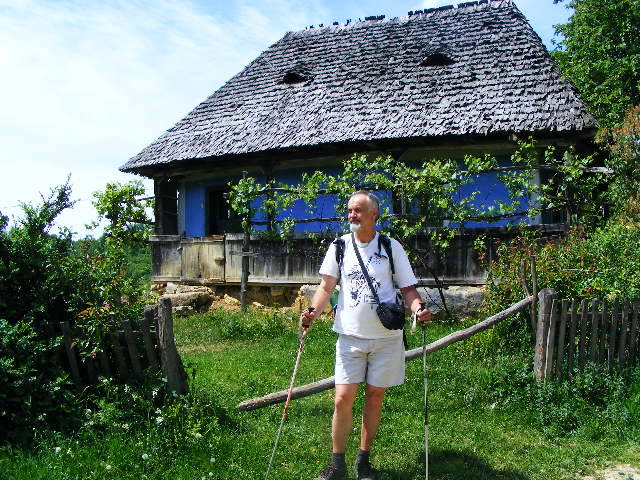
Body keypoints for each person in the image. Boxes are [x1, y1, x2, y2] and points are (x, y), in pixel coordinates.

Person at [300, 190, 431, 480]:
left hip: (386, 338)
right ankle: (337, 465)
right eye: (349, 210)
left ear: (374, 215)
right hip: (350, 336)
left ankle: (363, 461)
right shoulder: (339, 247)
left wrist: (418, 308)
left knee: (374, 397)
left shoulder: (390, 247)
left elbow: (407, 289)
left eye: (358, 210)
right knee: (342, 398)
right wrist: (312, 311)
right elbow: (326, 287)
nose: (352, 215)